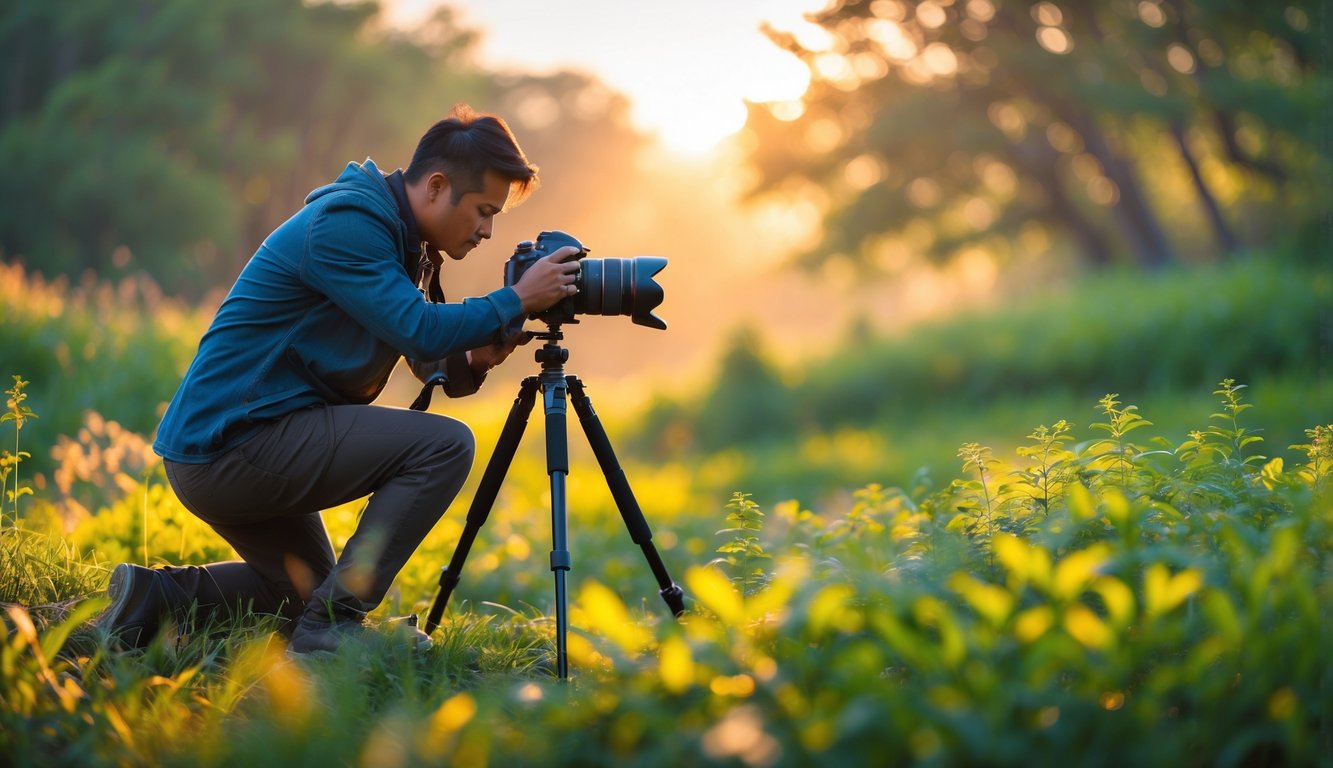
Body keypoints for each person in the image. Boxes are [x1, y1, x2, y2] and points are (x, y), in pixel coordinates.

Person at [97, 104, 581, 656]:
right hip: (232, 442)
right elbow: (418, 330)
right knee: (445, 446)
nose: (489, 231)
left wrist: (477, 358)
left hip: (238, 440)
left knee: (300, 597)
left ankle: (151, 597)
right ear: (437, 186)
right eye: (483, 210)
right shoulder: (350, 225)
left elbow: (422, 351)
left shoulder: (401, 238)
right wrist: (516, 297)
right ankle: (335, 631)